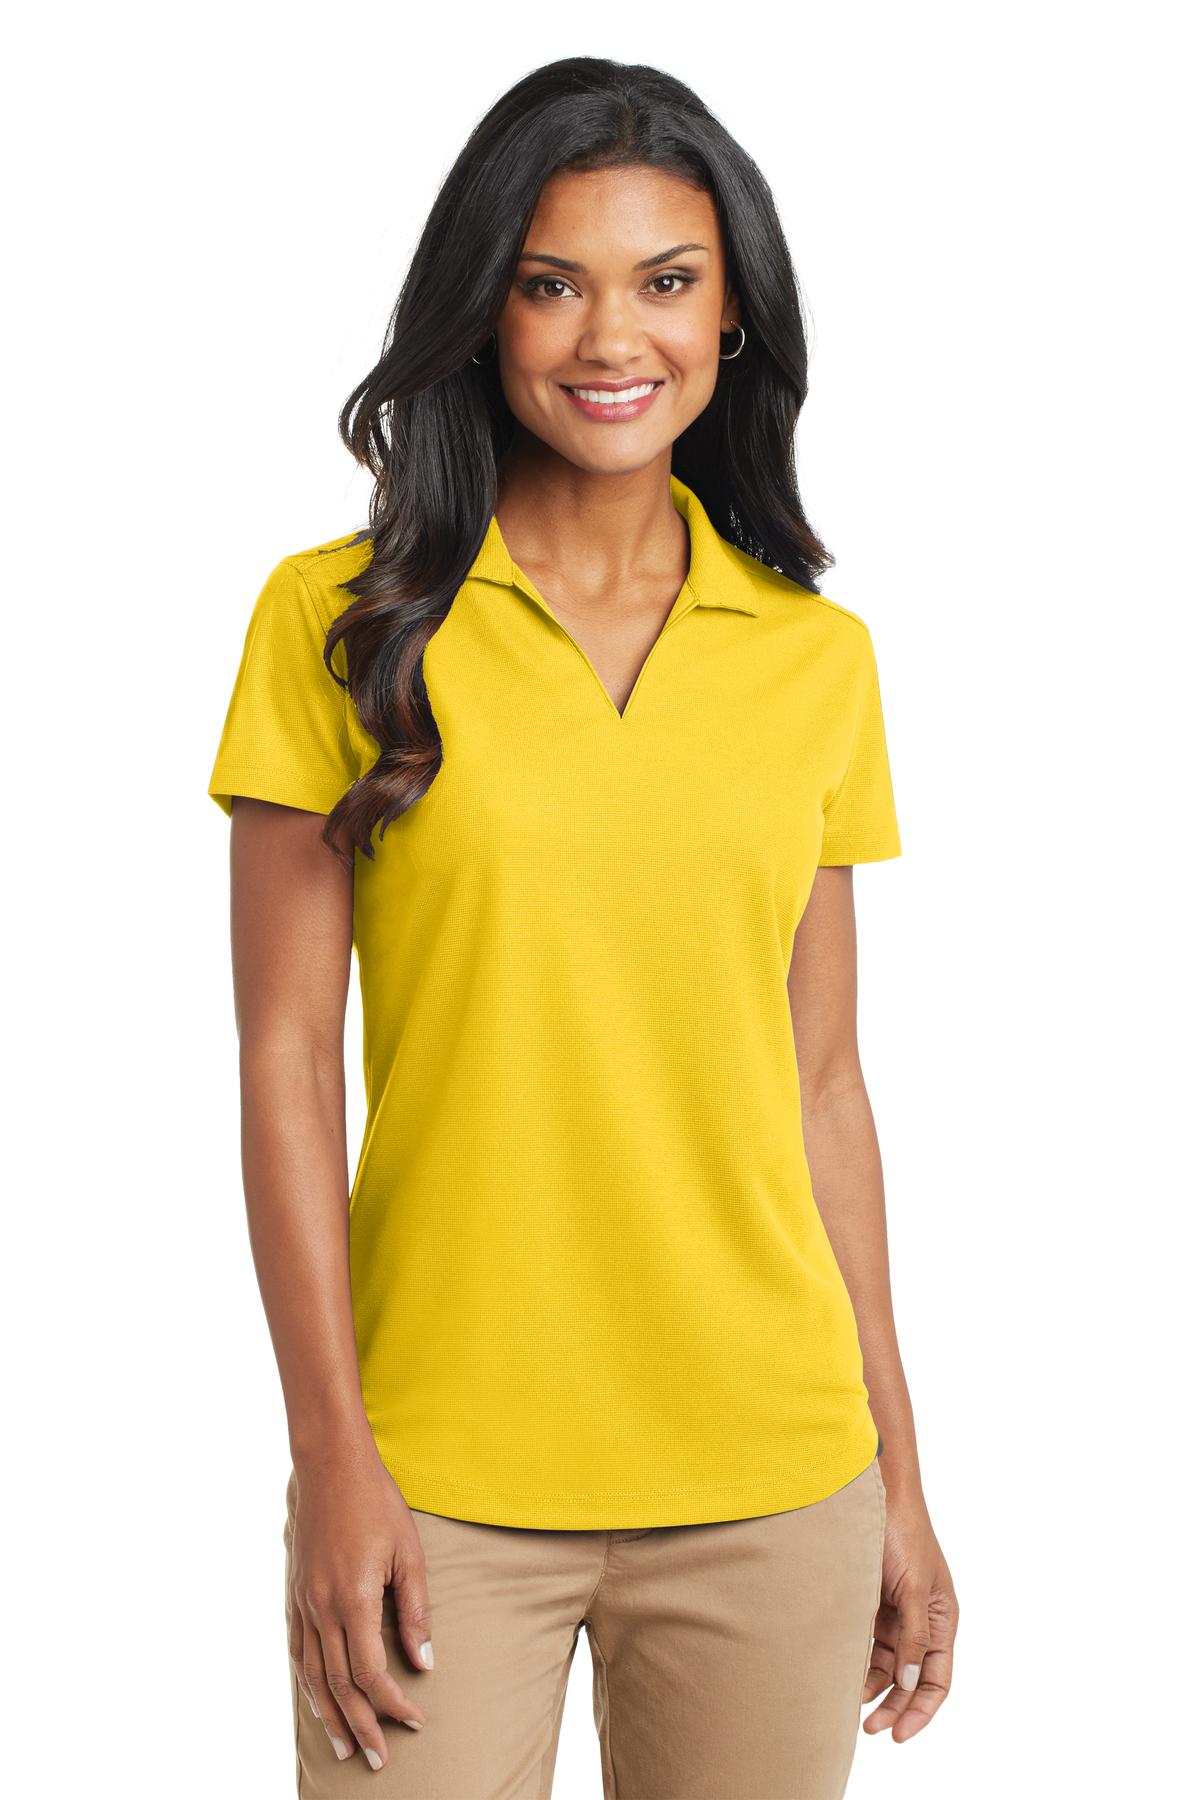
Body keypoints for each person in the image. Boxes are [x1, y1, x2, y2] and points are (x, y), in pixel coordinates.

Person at [207, 54, 959, 1800]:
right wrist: (334, 1459)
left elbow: (822, 1087)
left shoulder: (814, 656)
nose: (612, 336)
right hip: (434, 1481)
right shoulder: (339, 624)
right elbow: (283, 1063)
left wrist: (902, 1476)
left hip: (774, 1473)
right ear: (484, 308)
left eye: (666, 281)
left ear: (733, 317)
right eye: (552, 283)